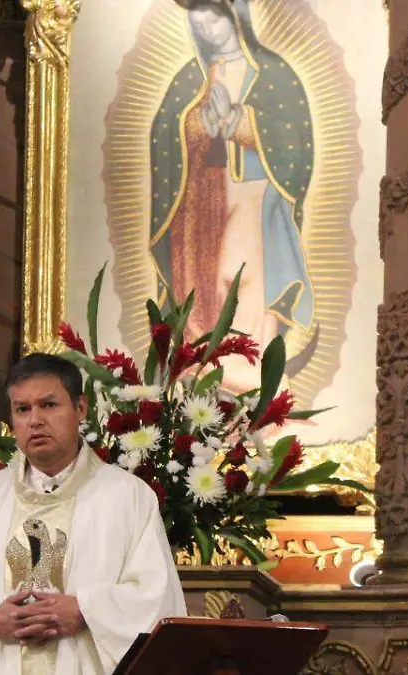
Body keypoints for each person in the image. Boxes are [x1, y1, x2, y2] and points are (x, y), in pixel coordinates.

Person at [0, 353, 187, 674]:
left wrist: (85, 611)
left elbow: (156, 599)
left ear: (80, 408)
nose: (35, 420)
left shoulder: (129, 498)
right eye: (22, 409)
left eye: (49, 405)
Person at [148, 0, 317, 392]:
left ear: (235, 17)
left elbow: (295, 141)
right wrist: (198, 124)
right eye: (198, 24)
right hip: (200, 199)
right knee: (205, 279)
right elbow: (164, 136)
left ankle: (249, 373)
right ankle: (203, 372)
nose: (207, 30)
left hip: (253, 193)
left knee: (238, 271)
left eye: (214, 19)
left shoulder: (272, 73)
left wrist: (238, 121)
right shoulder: (190, 78)